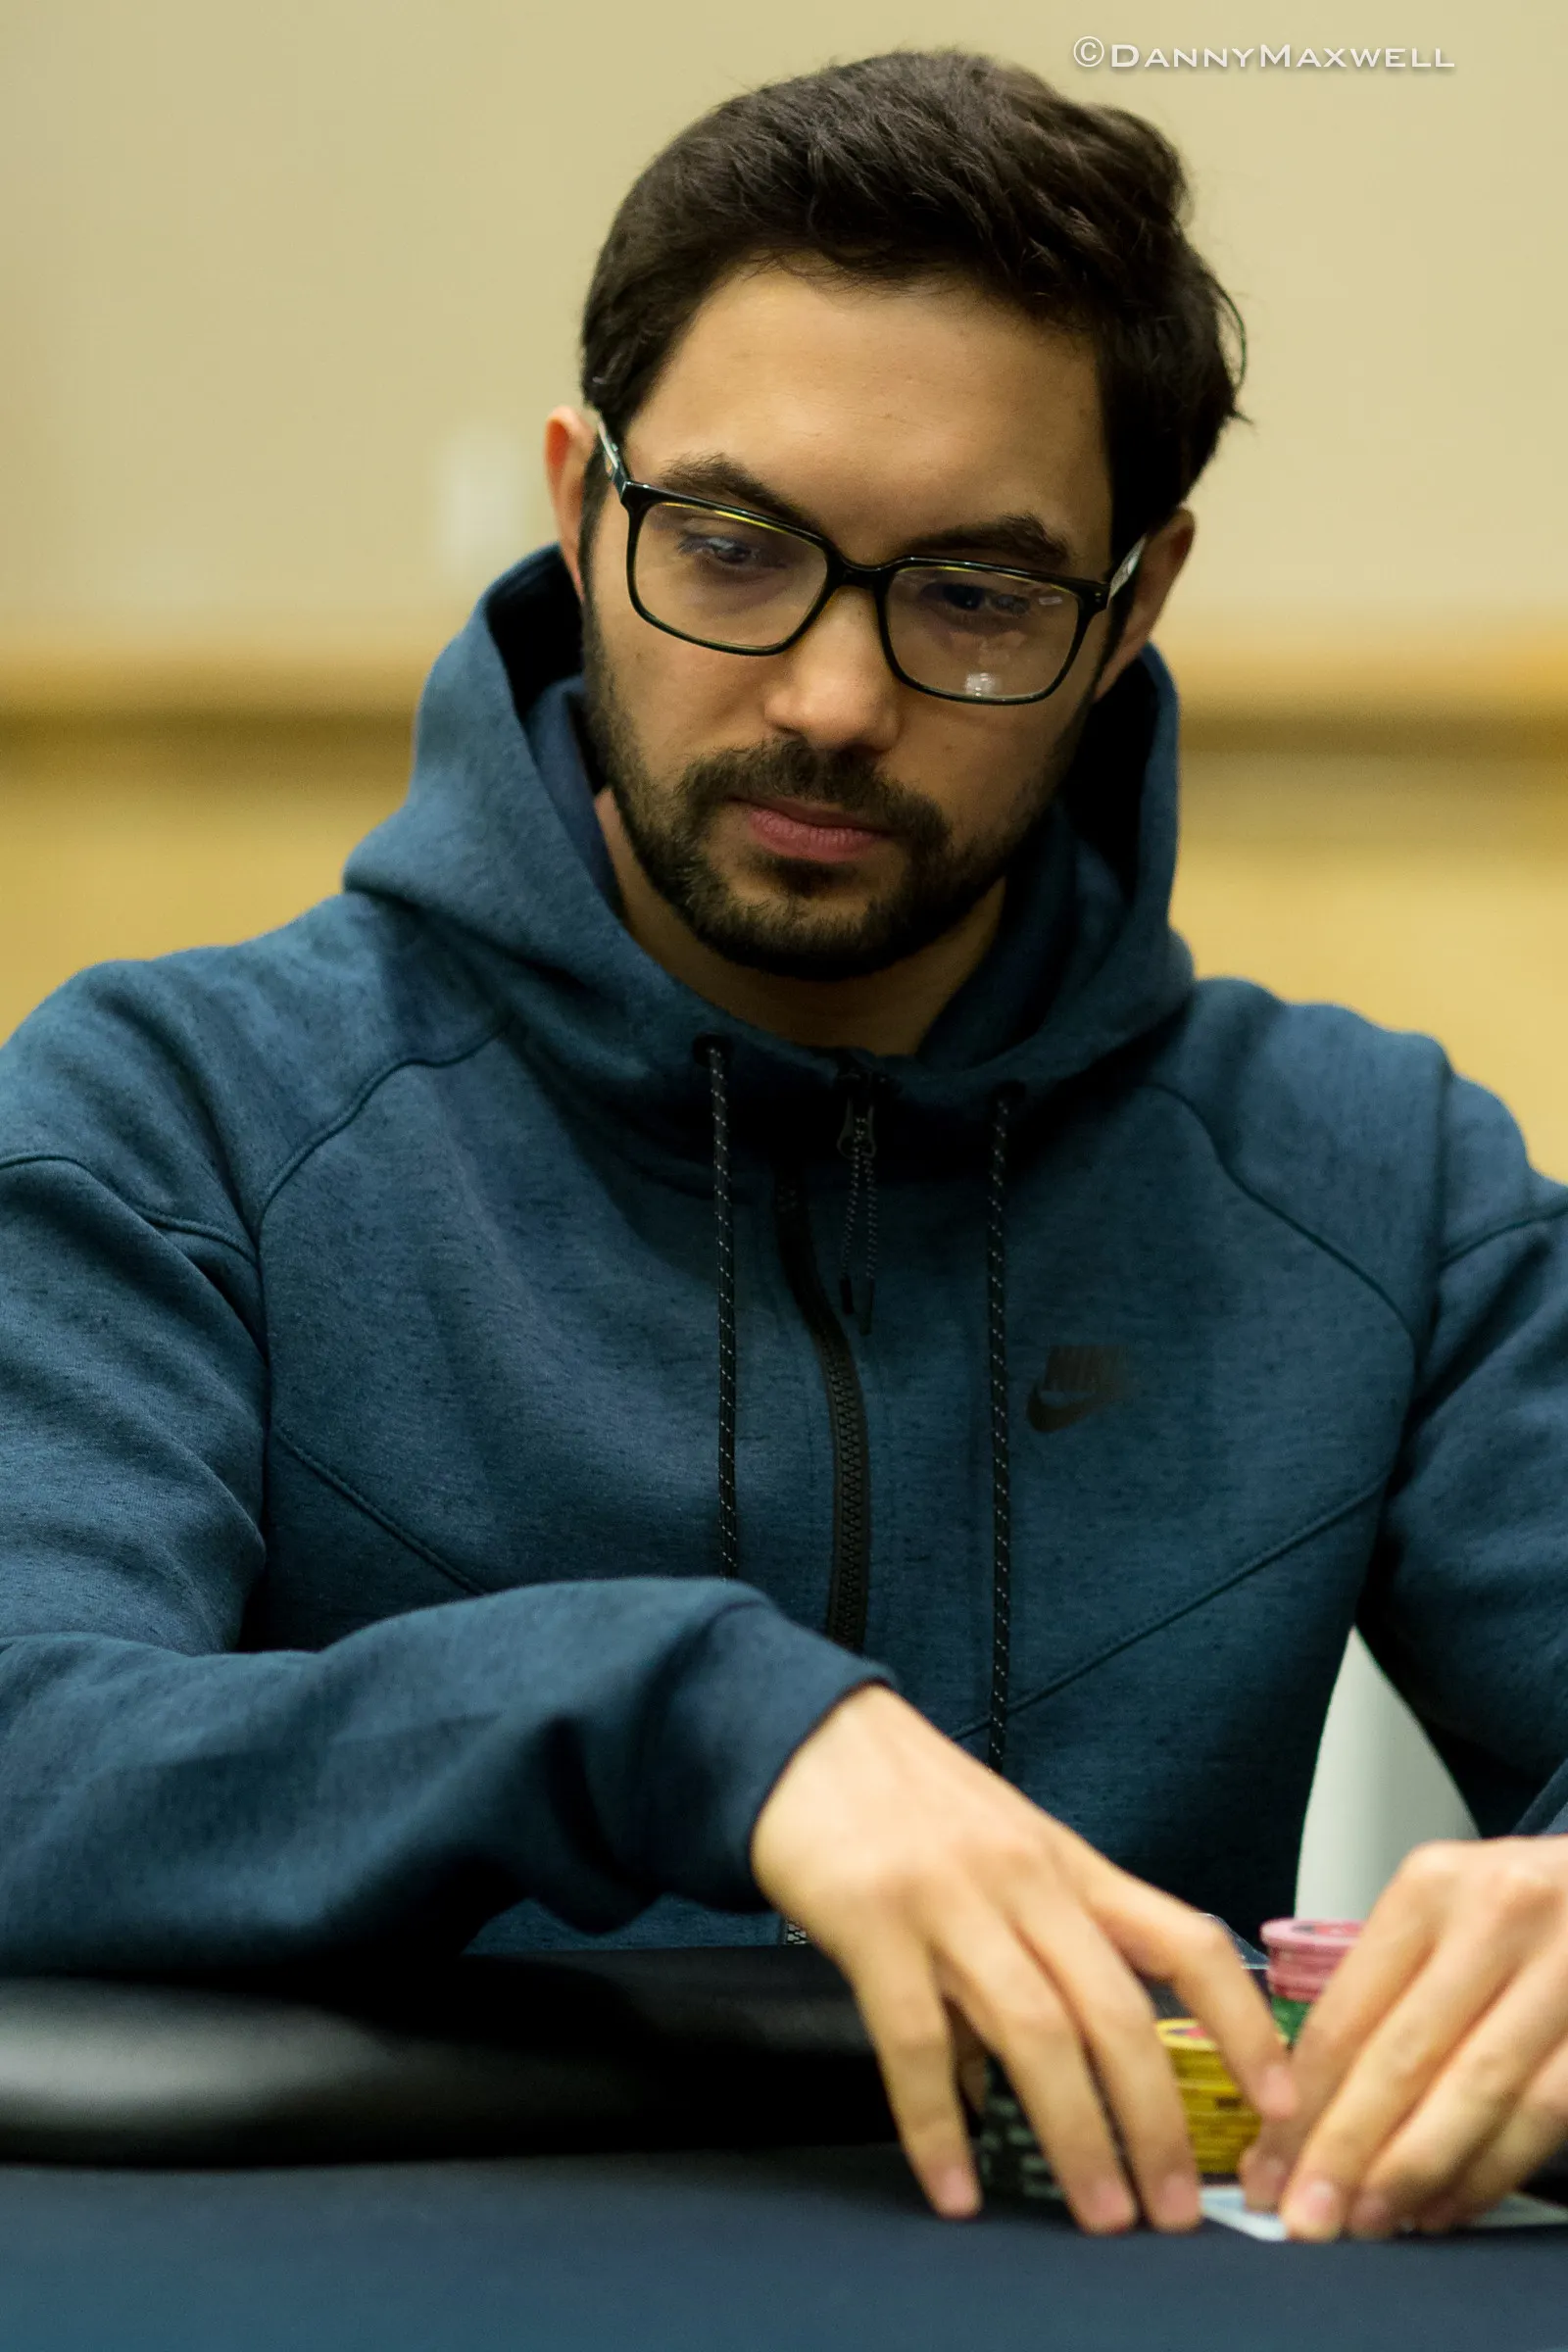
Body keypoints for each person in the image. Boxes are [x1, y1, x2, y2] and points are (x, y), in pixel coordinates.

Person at [3, 49, 1568, 2247]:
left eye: (974, 594)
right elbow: (30, 1747)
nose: (831, 698)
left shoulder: (1376, 1185)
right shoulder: (170, 1115)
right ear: (582, 509)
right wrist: (689, 1717)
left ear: (1129, 613)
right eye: (732, 552)